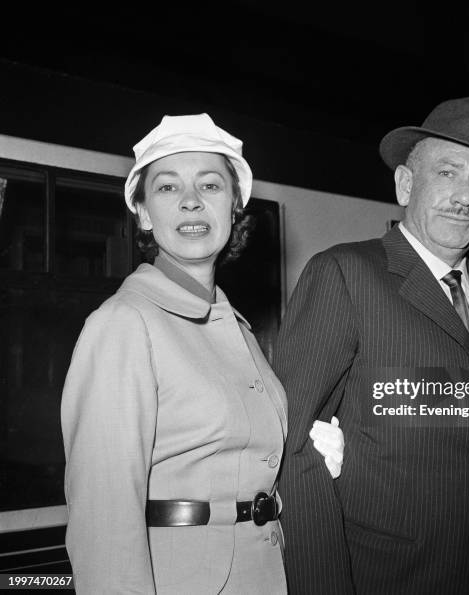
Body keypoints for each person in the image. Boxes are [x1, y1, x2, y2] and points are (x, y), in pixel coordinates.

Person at [275, 97, 469, 594]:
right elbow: (292, 449)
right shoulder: (345, 274)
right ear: (405, 184)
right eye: (449, 173)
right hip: (393, 577)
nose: (466, 197)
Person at [61, 113, 344, 594]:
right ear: (144, 214)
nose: (191, 200)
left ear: (235, 206)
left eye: (210, 185)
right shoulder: (124, 323)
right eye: (167, 188)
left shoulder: (237, 330)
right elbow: (102, 517)